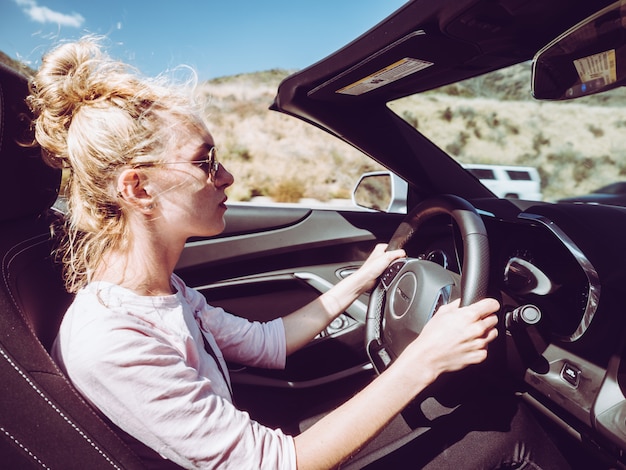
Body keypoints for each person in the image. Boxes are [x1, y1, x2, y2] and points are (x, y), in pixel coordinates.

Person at [28, 37, 569, 469]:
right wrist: (425, 358)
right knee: (509, 431)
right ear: (139, 189)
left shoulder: (161, 292)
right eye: (205, 161)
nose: (227, 177)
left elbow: (268, 343)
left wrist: (364, 278)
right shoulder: (113, 339)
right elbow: (276, 463)